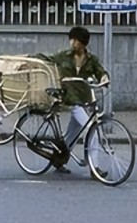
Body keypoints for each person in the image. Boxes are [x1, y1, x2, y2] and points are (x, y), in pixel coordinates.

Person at [39, 27, 109, 174]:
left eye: (76, 41)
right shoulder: (63, 56)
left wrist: (104, 78)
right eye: (72, 40)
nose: (73, 43)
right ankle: (95, 169)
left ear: (83, 43)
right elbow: (47, 59)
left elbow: (100, 72)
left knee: (72, 133)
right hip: (69, 99)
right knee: (92, 130)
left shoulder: (91, 60)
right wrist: (28, 58)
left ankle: (59, 159)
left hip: (84, 99)